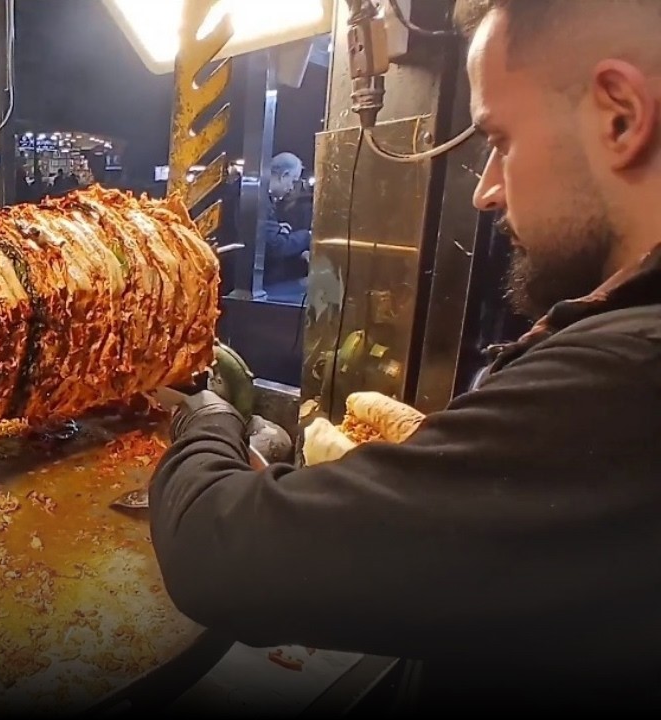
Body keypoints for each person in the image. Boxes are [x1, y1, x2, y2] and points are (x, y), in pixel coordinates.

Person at [148, 0, 661, 712]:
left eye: (500, 140)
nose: (485, 190)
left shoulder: (629, 379)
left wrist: (207, 416)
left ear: (621, 116)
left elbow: (217, 554)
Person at [258, 152, 313, 288]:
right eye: (293, 181)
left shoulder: (259, 195)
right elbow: (275, 246)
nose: (292, 188)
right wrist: (307, 236)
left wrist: (276, 228)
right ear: (284, 175)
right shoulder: (261, 200)